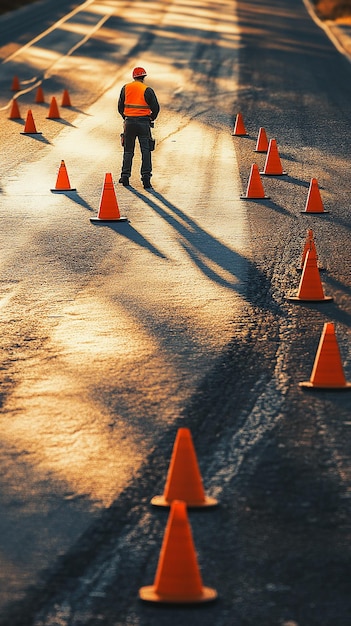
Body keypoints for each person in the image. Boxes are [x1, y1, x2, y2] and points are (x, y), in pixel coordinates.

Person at [118, 67, 160, 189]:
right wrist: (151, 118)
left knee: (128, 150)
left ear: (133, 77)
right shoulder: (147, 90)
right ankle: (146, 178)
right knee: (145, 151)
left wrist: (125, 117)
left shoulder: (125, 88)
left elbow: (120, 107)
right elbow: (156, 107)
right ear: (143, 77)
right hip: (143, 123)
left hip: (129, 123)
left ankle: (125, 176)